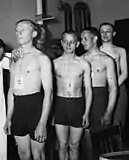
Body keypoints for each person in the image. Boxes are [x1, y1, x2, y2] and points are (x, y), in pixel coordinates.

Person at [4, 19, 53, 160]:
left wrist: (43, 123)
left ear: (34, 33)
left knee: (38, 155)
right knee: (23, 154)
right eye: (17, 30)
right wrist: (8, 118)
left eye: (23, 29)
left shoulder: (42, 59)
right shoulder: (14, 58)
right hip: (18, 108)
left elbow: (49, 94)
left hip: (35, 107)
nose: (18, 33)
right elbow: (11, 91)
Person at [53, 30, 92, 160]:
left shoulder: (83, 64)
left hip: (77, 105)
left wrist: (86, 113)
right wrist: (51, 112)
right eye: (65, 42)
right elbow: (50, 91)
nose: (68, 45)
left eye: (72, 42)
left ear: (77, 44)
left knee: (74, 144)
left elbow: (88, 90)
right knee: (62, 144)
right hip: (60, 105)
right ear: (61, 43)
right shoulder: (54, 64)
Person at [80, 27, 118, 160]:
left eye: (85, 38)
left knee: (101, 141)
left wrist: (109, 111)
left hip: (100, 100)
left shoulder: (107, 60)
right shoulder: (80, 59)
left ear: (95, 38)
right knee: (85, 141)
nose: (82, 41)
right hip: (83, 99)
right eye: (81, 39)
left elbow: (113, 88)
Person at [99, 22, 128, 128]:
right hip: (102, 89)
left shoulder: (120, 51)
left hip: (119, 88)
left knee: (118, 123)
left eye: (108, 31)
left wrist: (113, 87)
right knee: (104, 122)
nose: (105, 34)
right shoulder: (96, 51)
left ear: (114, 33)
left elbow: (124, 73)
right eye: (102, 32)